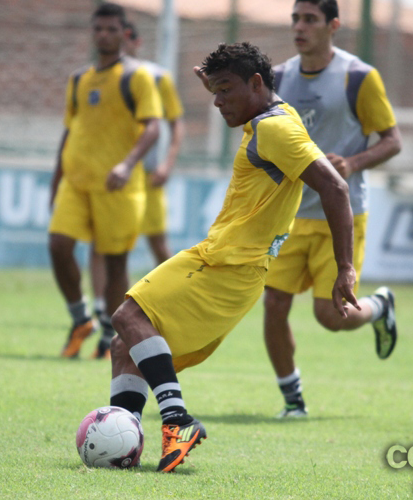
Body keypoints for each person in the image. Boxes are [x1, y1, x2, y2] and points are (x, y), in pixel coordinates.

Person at [108, 42, 359, 472]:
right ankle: (120, 442)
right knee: (124, 346)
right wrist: (220, 78)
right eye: (213, 92)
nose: (218, 102)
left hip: (227, 262)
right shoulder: (267, 119)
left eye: (226, 90)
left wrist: (346, 266)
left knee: (127, 317)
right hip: (233, 264)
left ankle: (177, 421)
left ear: (257, 84)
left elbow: (335, 188)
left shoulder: (275, 129)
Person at [265, 0, 402, 418]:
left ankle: (379, 307)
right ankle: (293, 402)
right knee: (273, 305)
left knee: (331, 315)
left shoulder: (358, 77)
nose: (299, 27)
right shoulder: (277, 78)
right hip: (288, 216)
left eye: (309, 19)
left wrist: (354, 161)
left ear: (333, 26)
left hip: (339, 215)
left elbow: (392, 141)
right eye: (295, 19)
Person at [49, 3, 162, 359]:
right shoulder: (79, 79)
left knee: (115, 264)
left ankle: (113, 336)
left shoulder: (137, 77)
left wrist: (128, 165)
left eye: (112, 29)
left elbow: (154, 126)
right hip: (77, 182)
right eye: (98, 29)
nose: (104, 35)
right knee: (58, 245)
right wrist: (56, 179)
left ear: (125, 34)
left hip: (118, 186)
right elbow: (70, 132)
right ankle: (81, 318)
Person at [87, 21, 185, 357]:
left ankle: (176, 307)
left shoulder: (157, 77)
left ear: (135, 40)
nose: (118, 40)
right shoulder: (101, 77)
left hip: (148, 176)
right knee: (104, 246)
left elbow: (175, 124)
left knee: (158, 243)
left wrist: (167, 164)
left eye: (126, 36)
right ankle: (105, 316)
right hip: (118, 179)